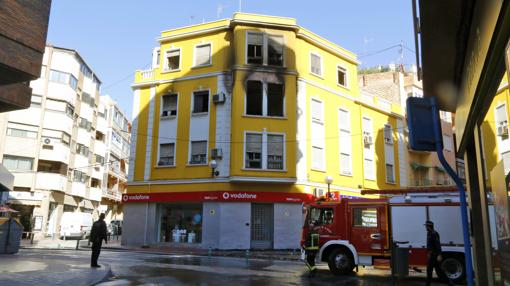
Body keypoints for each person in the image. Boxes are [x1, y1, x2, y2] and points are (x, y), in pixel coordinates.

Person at [425, 220, 453, 286]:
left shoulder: (434, 233)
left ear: (429, 226)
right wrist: (428, 252)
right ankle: (450, 283)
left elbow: (437, 245)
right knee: (438, 270)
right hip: (431, 254)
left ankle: (450, 283)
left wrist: (439, 254)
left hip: (434, 255)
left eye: (426, 226)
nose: (425, 227)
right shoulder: (429, 233)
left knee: (430, 270)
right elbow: (430, 245)